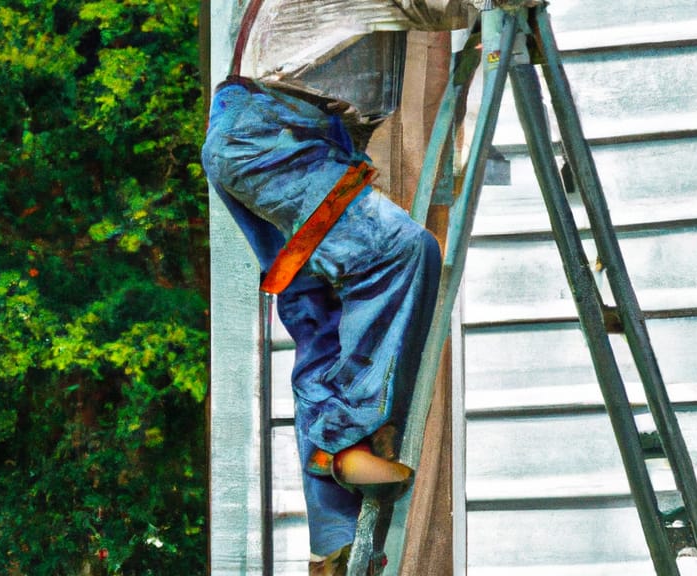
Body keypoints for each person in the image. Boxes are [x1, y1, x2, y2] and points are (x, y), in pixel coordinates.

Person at [202, 0, 496, 572]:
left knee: (323, 325)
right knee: (401, 251)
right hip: (276, 137)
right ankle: (348, 440)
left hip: (272, 135)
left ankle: (332, 541)